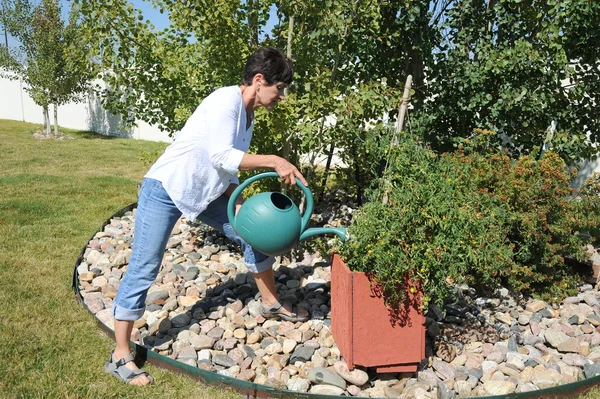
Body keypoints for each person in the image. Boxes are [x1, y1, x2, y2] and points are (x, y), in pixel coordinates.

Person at [104, 46, 309, 386]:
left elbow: (226, 170)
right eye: (280, 88)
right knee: (145, 264)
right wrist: (274, 160)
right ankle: (120, 354)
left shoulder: (248, 114)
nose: (281, 96)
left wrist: (241, 203)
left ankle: (271, 302)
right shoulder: (224, 102)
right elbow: (221, 155)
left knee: (252, 232)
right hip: (166, 188)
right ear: (259, 81)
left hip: (205, 194)